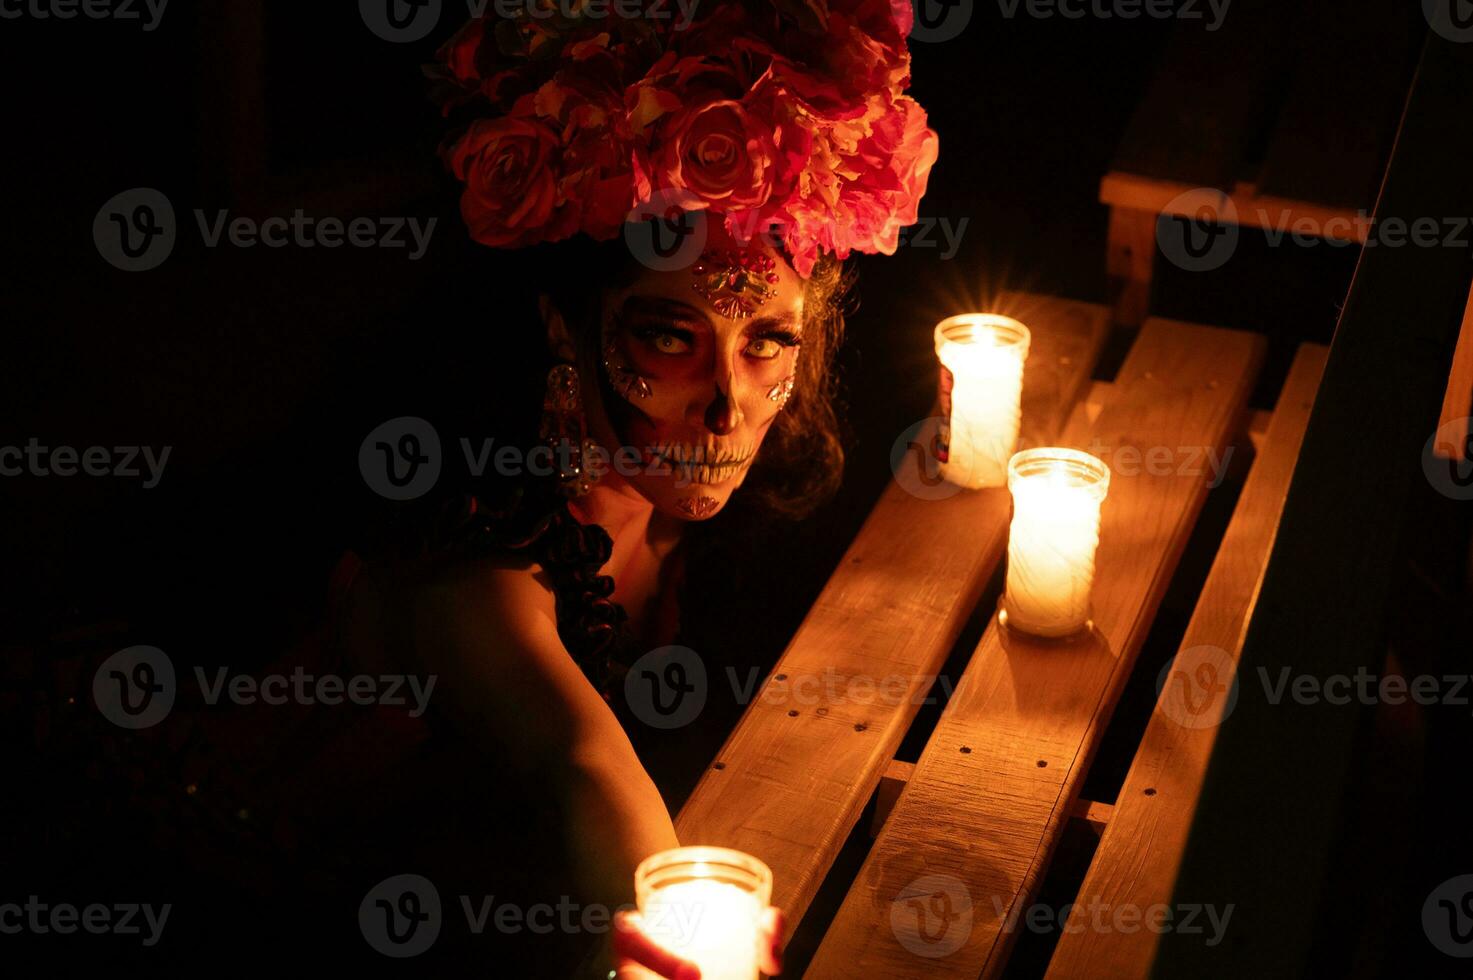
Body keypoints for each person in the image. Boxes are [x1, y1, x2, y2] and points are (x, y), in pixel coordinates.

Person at [341, 3, 939, 974]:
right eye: (670, 337)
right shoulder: (473, 566)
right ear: (561, 328)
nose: (729, 406)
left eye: (767, 342)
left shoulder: (705, 515)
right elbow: (577, 764)